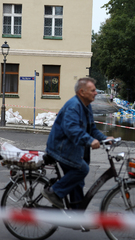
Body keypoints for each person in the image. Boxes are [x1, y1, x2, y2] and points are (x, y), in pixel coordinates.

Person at [42, 77, 113, 209]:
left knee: (77, 181)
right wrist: (90, 141)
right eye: (92, 90)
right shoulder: (73, 106)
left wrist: (105, 139)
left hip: (71, 149)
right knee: (82, 169)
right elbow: (72, 129)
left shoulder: (86, 106)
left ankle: (77, 217)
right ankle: (54, 192)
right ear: (82, 92)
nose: (96, 93)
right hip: (60, 148)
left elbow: (91, 129)